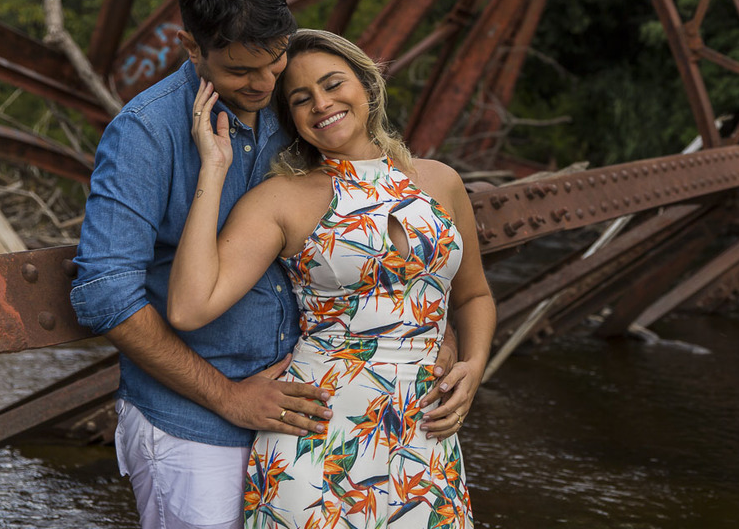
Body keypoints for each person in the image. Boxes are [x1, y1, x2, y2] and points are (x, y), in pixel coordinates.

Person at [70, 0, 456, 529]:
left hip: (305, 415)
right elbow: (105, 294)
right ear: (191, 47)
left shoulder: (291, 101)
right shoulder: (145, 133)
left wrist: (438, 334)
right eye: (240, 71)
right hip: (194, 423)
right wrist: (228, 397)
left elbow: (379, 225)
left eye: (275, 61)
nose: (264, 83)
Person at [166, 29, 495, 528]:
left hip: (426, 437)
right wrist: (213, 170)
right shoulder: (282, 199)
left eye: (333, 84)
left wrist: (474, 365)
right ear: (291, 118)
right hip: (318, 440)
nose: (321, 104)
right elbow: (189, 307)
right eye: (301, 99)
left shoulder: (440, 181)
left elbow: (473, 295)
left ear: (367, 84)